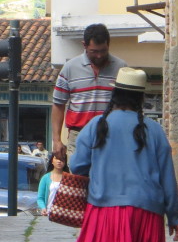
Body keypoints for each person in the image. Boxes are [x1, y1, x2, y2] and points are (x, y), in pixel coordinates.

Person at [69, 67, 178, 242]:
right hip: (144, 209)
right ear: (140, 98)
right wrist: (174, 215)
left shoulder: (96, 126)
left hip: (102, 206)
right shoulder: (154, 130)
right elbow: (167, 174)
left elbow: (77, 165)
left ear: (114, 94)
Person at [51, 23, 127, 162]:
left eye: (103, 51)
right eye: (94, 51)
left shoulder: (121, 68)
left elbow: (127, 106)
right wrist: (56, 140)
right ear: (84, 45)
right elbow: (58, 105)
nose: (99, 55)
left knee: (107, 181)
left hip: (111, 136)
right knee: (78, 181)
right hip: (79, 135)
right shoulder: (69, 68)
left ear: (108, 45)